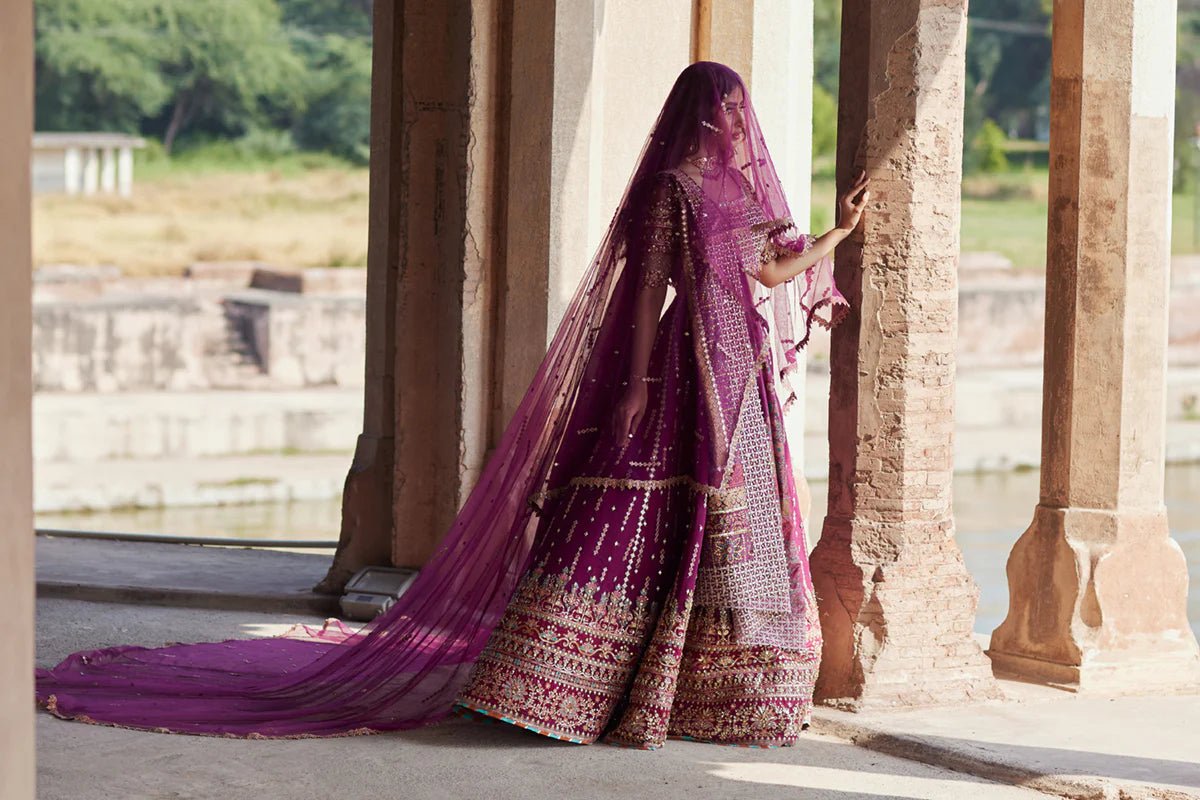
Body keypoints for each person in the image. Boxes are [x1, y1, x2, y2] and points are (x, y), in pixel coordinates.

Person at [36, 61, 868, 750]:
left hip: (738, 368)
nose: (732, 118)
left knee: (735, 523)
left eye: (737, 106)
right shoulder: (677, 187)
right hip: (685, 361)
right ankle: (570, 685)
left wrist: (835, 237)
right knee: (640, 512)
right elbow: (650, 284)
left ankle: (705, 693)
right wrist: (640, 383)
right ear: (698, 111)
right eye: (722, 105)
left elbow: (766, 276)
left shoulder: (745, 197)